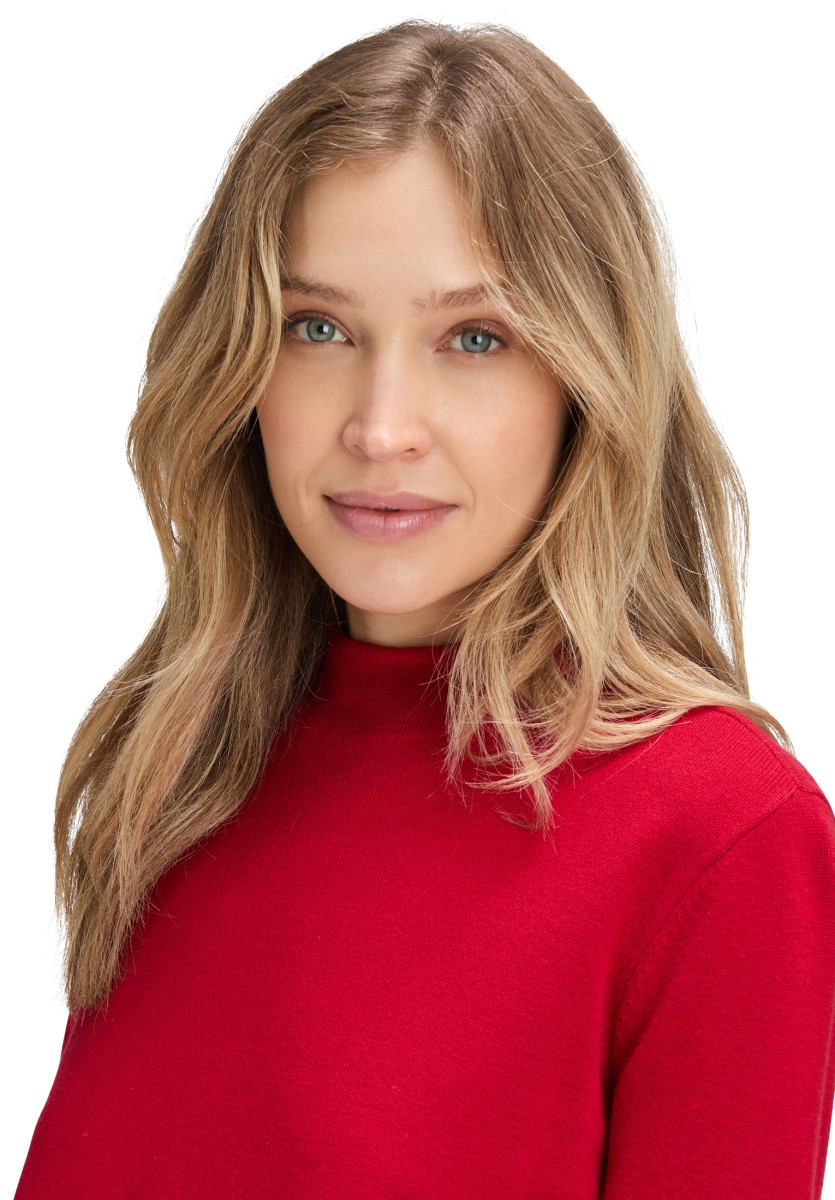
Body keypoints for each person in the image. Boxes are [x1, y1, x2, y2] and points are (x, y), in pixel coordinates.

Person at [14, 18, 835, 1199]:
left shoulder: (720, 837)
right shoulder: (187, 764)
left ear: (586, 380)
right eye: (318, 328)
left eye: (474, 337)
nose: (381, 425)